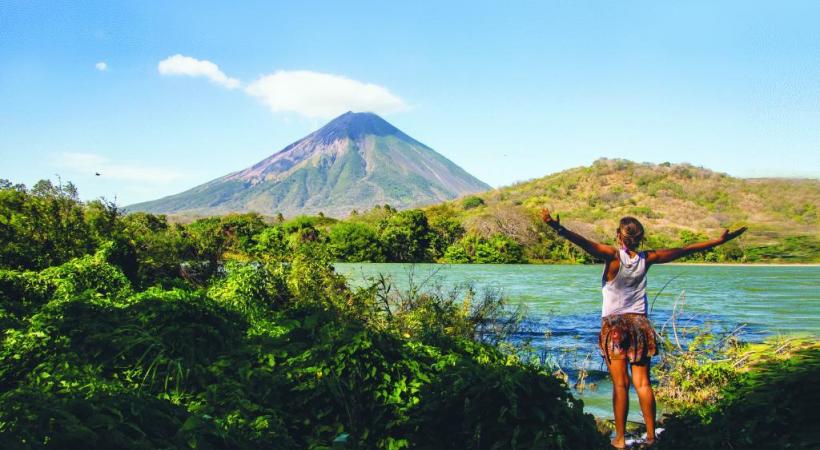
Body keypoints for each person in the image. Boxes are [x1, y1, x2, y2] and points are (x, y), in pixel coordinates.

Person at [540, 209, 746, 448]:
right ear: (640, 238)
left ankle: (619, 439)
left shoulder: (613, 256)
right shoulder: (646, 259)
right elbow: (683, 250)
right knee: (643, 383)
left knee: (620, 384)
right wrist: (717, 242)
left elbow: (583, 242)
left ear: (619, 235)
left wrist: (556, 227)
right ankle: (650, 437)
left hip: (615, 326)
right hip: (639, 325)